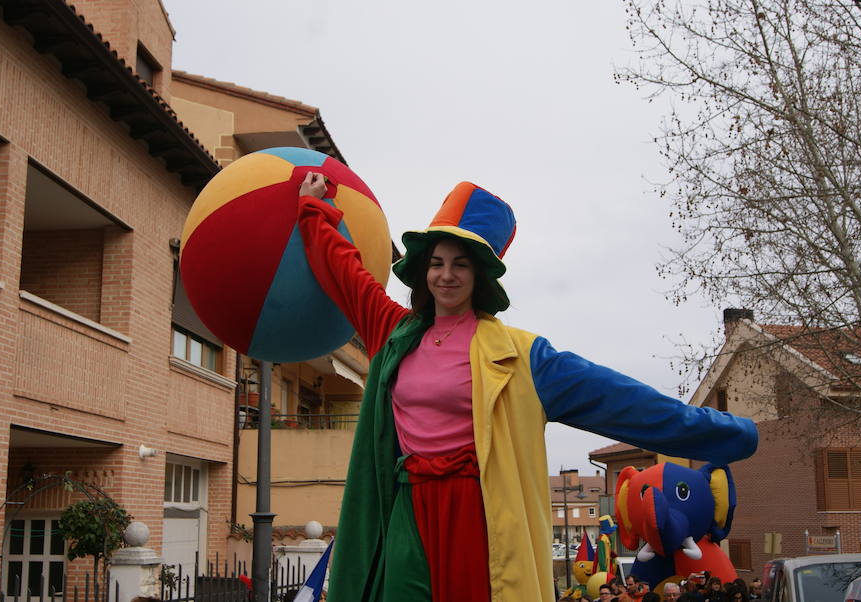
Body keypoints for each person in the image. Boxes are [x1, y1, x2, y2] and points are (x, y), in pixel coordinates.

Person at [296, 177, 759, 602]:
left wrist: (727, 433)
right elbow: (347, 275)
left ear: (479, 275)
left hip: (478, 511)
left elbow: (624, 403)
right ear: (423, 271)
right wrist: (316, 212)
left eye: (460, 264)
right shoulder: (395, 333)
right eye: (436, 263)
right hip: (407, 506)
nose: (446, 275)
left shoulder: (523, 356)